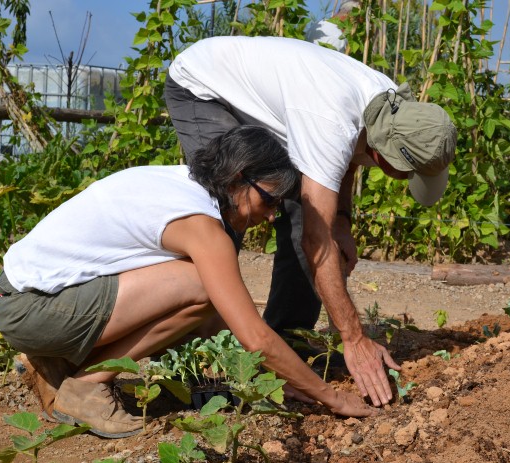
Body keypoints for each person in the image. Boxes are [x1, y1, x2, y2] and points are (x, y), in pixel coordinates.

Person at [0, 125, 377, 440]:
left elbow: (216, 322)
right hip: (30, 309)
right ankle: (85, 385)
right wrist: (329, 397)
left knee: (207, 305)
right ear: (240, 178)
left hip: (27, 299)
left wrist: (273, 375)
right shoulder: (200, 225)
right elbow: (254, 336)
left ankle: (56, 360)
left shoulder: (182, 187)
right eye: (269, 200)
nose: (273, 215)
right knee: (201, 287)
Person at [164, 35, 457, 408]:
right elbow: (316, 239)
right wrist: (353, 338)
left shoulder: (387, 106)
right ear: (388, 160)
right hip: (206, 88)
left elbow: (349, 156)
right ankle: (194, 363)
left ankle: (288, 344)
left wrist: (342, 224)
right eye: (410, 173)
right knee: (225, 212)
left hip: (281, 106)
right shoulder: (330, 120)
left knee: (310, 211)